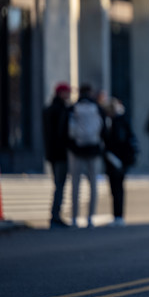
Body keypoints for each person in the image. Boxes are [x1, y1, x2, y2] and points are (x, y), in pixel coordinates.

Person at [67, 83, 106, 228]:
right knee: (93, 186)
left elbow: (67, 130)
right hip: (94, 150)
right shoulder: (97, 108)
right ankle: (90, 218)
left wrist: (71, 147)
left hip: (76, 151)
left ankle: (74, 218)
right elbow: (104, 129)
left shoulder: (73, 108)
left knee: (75, 186)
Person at [103, 97, 138, 227]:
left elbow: (116, 141)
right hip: (121, 160)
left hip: (116, 159)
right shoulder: (123, 121)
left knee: (116, 189)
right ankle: (118, 216)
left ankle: (118, 216)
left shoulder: (116, 123)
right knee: (118, 189)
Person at [43, 83, 72, 228]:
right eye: (67, 92)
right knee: (60, 185)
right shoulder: (62, 110)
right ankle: (55, 215)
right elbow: (63, 133)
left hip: (51, 152)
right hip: (60, 153)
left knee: (58, 184)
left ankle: (55, 215)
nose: (69, 95)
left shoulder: (49, 109)